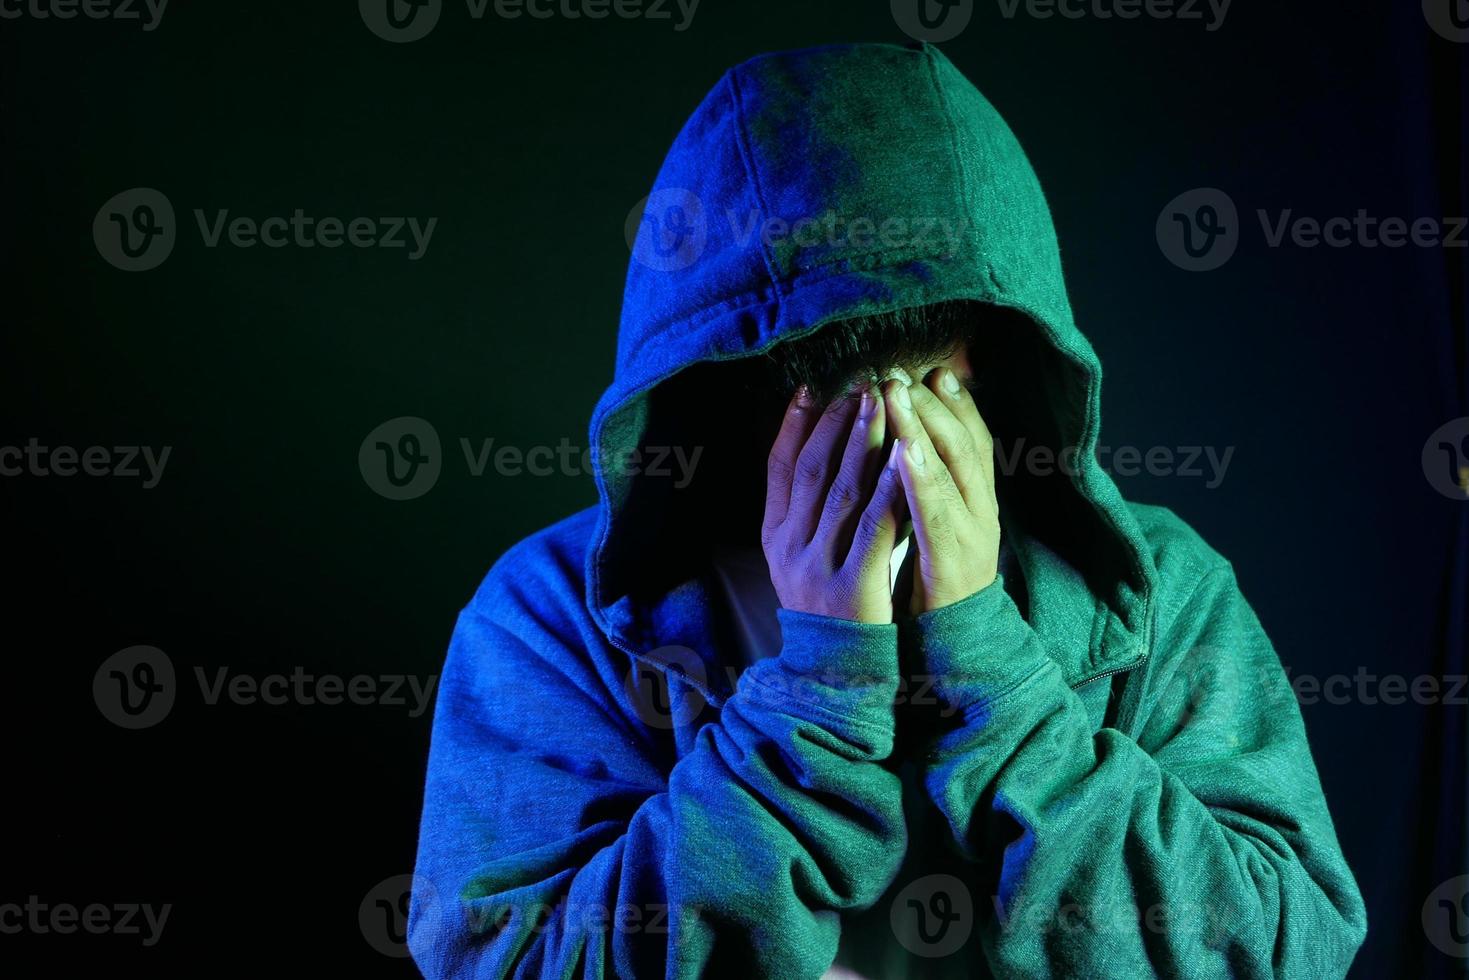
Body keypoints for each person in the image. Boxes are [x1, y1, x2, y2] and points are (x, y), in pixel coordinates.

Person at [408, 41, 1367, 978]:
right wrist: (816, 692)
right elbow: (496, 953)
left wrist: (995, 668)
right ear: (724, 386)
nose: (885, 440)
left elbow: (1288, 946)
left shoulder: (1159, 591)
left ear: (991, 359)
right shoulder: (548, 615)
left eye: (923, 379)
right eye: (830, 397)